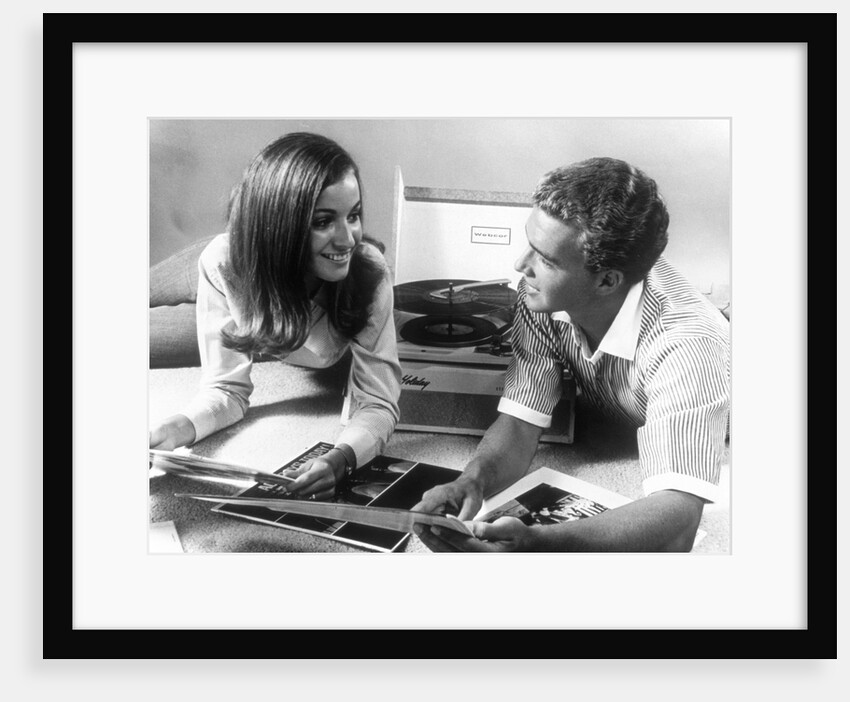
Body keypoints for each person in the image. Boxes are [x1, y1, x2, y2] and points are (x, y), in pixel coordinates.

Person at [412, 157, 730, 552]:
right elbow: (520, 422)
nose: (520, 265)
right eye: (530, 244)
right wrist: (471, 481)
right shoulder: (540, 297)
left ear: (607, 280)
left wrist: (541, 544)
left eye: (545, 260)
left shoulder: (687, 343)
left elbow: (678, 521)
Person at [149, 132, 402, 500]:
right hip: (239, 270)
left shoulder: (367, 274)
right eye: (323, 221)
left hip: (256, 324)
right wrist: (175, 428)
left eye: (354, 215)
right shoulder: (224, 260)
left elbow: (378, 403)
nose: (348, 239)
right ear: (282, 223)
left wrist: (342, 458)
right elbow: (222, 388)